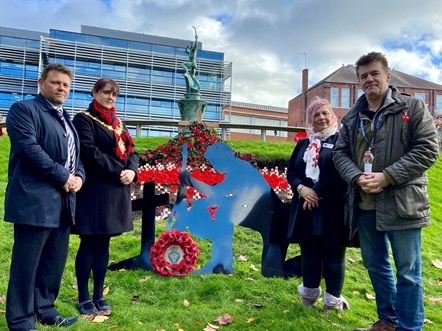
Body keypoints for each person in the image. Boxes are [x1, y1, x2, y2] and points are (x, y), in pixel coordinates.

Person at [333, 52, 439, 331]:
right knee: (376, 267)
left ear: (388, 76)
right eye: (363, 76)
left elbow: (428, 150)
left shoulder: (413, 107)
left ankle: (409, 327)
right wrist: (356, 177)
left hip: (403, 204)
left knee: (408, 274)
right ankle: (388, 322)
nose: (369, 79)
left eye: (375, 73)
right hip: (365, 204)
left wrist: (388, 176)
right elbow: (340, 154)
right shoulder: (352, 117)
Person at [4, 63, 84, 331]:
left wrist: (79, 178)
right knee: (26, 266)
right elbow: (29, 149)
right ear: (41, 83)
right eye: (56, 82)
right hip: (34, 202)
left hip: (64, 203)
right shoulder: (24, 110)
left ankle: (45, 310)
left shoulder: (67, 119)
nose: (61, 88)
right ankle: (20, 320)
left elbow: (76, 160)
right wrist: (64, 177)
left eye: (66, 85)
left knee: (53, 263)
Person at [72, 78, 138, 316]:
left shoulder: (117, 123)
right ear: (95, 92)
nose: (111, 98)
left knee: (104, 244)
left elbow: (133, 151)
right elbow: (89, 152)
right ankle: (83, 296)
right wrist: (119, 171)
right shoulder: (83, 119)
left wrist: (132, 170)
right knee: (89, 243)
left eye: (114, 94)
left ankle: (99, 295)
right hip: (95, 192)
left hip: (116, 192)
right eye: (107, 93)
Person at [287, 97, 349, 313]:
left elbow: (341, 173)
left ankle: (333, 303)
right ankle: (309, 297)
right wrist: (302, 189)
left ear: (332, 116)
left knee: (333, 255)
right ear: (309, 120)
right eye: (316, 115)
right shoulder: (304, 143)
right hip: (306, 207)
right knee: (310, 253)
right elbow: (292, 172)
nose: (321, 118)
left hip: (332, 208)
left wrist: (317, 191)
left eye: (325, 113)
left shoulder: (342, 141)